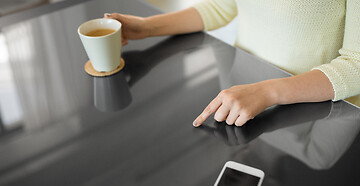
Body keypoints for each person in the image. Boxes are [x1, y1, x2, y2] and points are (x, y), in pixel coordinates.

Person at [104, 0, 360, 127]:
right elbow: (221, 6)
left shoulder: (316, 157)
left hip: (311, 105)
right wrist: (147, 27)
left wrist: (266, 91)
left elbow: (356, 64)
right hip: (241, 98)